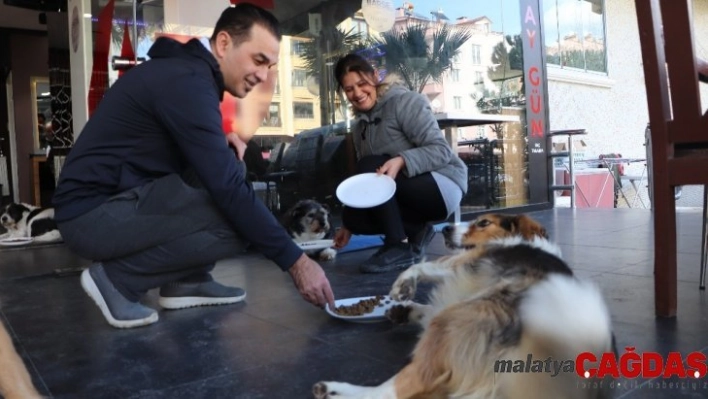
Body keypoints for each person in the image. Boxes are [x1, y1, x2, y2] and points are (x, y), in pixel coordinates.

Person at [52, 4, 334, 329]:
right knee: (236, 218)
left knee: (230, 167)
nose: (263, 75)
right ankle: (118, 280)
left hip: (110, 203)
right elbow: (228, 190)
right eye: (258, 60)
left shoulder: (186, 75)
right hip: (89, 217)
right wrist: (297, 262)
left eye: (270, 66)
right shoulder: (187, 82)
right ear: (225, 44)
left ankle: (187, 280)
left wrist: (219, 142)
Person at [331, 53, 468, 274]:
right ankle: (417, 231)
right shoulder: (359, 129)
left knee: (369, 166)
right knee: (353, 217)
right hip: (406, 191)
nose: (357, 93)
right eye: (349, 89)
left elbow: (442, 150)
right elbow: (365, 184)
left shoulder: (405, 102)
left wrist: (402, 160)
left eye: (362, 84)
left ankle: (398, 246)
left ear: (375, 77)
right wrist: (347, 226)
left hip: (442, 185)